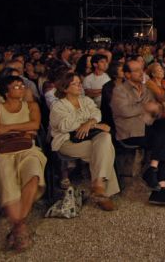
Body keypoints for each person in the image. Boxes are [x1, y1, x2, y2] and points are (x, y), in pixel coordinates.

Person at [0, 76, 47, 251]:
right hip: (2, 150)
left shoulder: (31, 106)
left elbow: (35, 123)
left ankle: (19, 223)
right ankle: (20, 227)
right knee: (4, 171)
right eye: (16, 86)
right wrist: (24, 129)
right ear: (6, 91)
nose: (21, 88)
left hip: (27, 147)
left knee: (34, 168)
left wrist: (8, 127)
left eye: (22, 85)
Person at [111, 60, 165, 206]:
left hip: (147, 127)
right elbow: (124, 111)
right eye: (136, 70)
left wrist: (152, 109)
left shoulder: (144, 88)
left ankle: (154, 169)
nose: (140, 72)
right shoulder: (119, 90)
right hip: (131, 133)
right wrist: (145, 107)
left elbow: (157, 109)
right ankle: (160, 188)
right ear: (127, 74)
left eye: (141, 69)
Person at [50, 72, 119, 211]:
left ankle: (98, 186)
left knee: (105, 139)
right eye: (74, 84)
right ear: (65, 88)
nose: (79, 86)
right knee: (104, 150)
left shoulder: (85, 100)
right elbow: (65, 125)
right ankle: (102, 191)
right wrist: (92, 124)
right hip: (67, 141)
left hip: (89, 137)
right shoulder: (58, 106)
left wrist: (90, 123)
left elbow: (97, 114)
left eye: (79, 83)